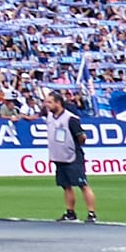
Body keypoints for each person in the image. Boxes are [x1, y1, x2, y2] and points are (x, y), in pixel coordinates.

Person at [43, 90, 94, 222]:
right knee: (65, 185)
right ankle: (70, 212)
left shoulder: (70, 119)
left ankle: (91, 213)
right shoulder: (50, 117)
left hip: (72, 155)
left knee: (82, 184)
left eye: (49, 102)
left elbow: (81, 136)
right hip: (58, 156)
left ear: (58, 103)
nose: (46, 104)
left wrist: (75, 146)